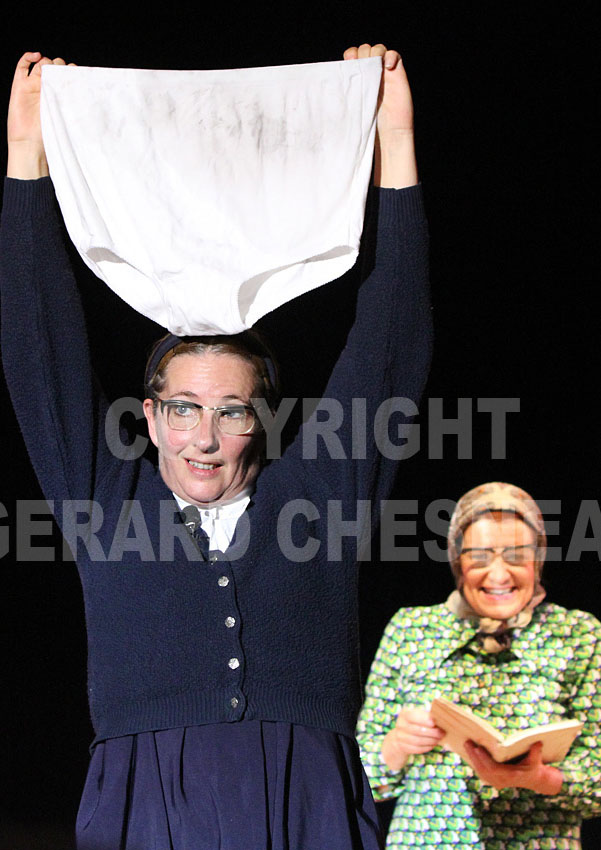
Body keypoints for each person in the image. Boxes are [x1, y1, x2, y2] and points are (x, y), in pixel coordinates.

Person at [0, 43, 432, 849]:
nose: (204, 437)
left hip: (306, 794)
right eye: (184, 408)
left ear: (261, 419)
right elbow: (38, 347)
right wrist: (27, 158)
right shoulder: (106, 504)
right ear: (150, 414)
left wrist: (394, 144)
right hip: (146, 799)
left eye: (232, 412)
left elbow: (391, 345)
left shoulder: (318, 500)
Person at [356, 481, 601, 849]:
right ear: (458, 560)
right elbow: (361, 780)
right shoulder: (412, 629)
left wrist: (540, 778)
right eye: (480, 556)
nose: (498, 575)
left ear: (538, 558)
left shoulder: (577, 634)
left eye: (516, 556)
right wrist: (396, 746)